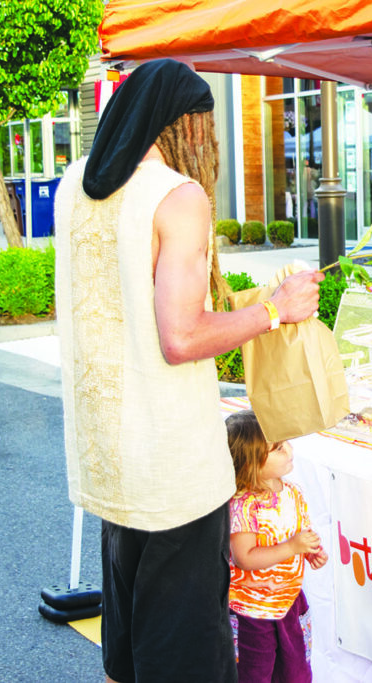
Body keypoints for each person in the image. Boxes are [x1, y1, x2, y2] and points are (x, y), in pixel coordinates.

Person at [53, 59, 323, 683]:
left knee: (129, 641)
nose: (206, 143)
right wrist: (274, 312)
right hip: (172, 465)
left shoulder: (73, 186)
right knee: (184, 654)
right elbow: (181, 336)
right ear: (182, 124)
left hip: (109, 455)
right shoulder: (177, 195)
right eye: (202, 127)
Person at [225, 409, 327, 683]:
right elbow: (244, 557)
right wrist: (292, 548)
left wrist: (311, 550)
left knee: (295, 672)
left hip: (290, 601)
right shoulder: (243, 505)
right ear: (250, 462)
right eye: (279, 448)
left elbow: (300, 532)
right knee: (253, 673)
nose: (290, 450)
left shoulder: (292, 492)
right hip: (253, 609)